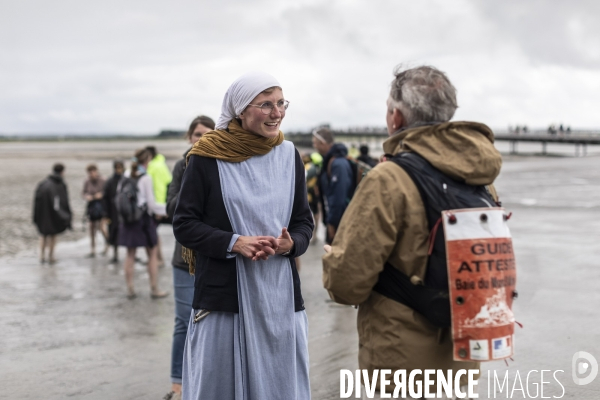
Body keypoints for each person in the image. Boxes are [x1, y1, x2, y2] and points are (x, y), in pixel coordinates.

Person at [322, 65, 503, 399]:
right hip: (462, 352)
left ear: (397, 117)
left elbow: (347, 285)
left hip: (400, 360)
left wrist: (334, 261)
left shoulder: (388, 178)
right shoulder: (479, 176)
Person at [173, 72, 313, 400]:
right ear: (240, 110)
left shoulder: (289, 155)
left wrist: (292, 243)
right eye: (265, 105)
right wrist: (235, 242)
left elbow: (304, 222)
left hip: (280, 298)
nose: (277, 112)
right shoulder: (207, 156)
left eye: (281, 103)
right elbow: (184, 224)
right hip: (224, 300)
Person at [163, 114, 215, 400]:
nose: (202, 139)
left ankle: (205, 380)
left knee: (213, 321)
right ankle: (177, 384)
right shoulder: (181, 166)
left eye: (208, 134)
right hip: (184, 258)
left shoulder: (222, 163)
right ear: (189, 137)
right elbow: (171, 208)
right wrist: (192, 177)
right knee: (185, 320)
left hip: (215, 256)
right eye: (198, 134)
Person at [118, 149, 168, 299]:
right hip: (144, 219)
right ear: (148, 161)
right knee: (152, 254)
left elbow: (119, 196)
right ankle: (154, 289)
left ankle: (130, 289)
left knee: (130, 255)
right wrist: (167, 209)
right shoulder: (145, 178)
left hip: (129, 220)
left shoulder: (125, 175)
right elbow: (151, 205)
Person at [312, 128, 354, 244]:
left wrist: (332, 224)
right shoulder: (329, 161)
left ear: (323, 143)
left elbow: (338, 197)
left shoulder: (338, 164)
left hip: (340, 224)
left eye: (315, 143)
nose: (314, 146)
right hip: (336, 220)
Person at [33, 163, 72, 264]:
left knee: (43, 235)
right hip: (54, 215)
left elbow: (36, 201)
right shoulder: (60, 184)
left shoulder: (43, 184)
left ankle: (42, 256)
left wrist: (36, 216)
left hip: (43, 215)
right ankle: (51, 256)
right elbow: (63, 201)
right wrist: (66, 215)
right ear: (62, 172)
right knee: (53, 235)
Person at [146, 145, 171, 267]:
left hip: (155, 205)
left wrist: (159, 209)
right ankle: (157, 258)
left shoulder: (153, 166)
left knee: (152, 233)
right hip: (161, 203)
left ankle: (157, 259)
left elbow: (157, 187)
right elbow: (167, 183)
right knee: (154, 232)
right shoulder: (162, 164)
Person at [82, 164, 107, 257]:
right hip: (92, 207)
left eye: (93, 171)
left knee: (102, 228)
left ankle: (107, 244)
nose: (91, 174)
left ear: (96, 171)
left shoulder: (103, 180)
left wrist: (101, 195)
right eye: (89, 172)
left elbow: (108, 192)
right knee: (92, 228)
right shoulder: (87, 181)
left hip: (102, 207)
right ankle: (93, 249)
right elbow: (83, 192)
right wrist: (87, 196)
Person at [102, 160, 125, 263]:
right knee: (113, 232)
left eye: (120, 167)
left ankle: (132, 253)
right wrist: (106, 214)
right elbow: (105, 198)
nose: (119, 170)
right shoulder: (110, 182)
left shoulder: (126, 180)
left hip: (125, 212)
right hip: (112, 212)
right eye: (117, 167)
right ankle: (115, 254)